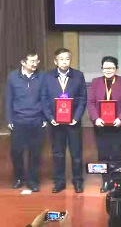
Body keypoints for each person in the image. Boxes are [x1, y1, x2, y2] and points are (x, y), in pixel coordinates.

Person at [40, 48, 87, 193]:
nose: (64, 62)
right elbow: (43, 99)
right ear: (56, 61)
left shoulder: (78, 75)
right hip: (55, 122)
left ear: (70, 60)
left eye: (67, 59)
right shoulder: (47, 77)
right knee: (58, 153)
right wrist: (50, 118)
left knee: (76, 154)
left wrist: (76, 117)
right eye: (61, 59)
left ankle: (78, 181)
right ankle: (59, 181)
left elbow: (82, 98)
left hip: (73, 122)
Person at [87, 56, 121, 193]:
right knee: (103, 155)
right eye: (105, 68)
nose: (108, 70)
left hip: (118, 125)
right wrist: (96, 119)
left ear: (116, 68)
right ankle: (106, 181)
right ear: (102, 69)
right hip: (101, 126)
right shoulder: (96, 82)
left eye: (111, 68)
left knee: (117, 155)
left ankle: (117, 182)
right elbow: (91, 103)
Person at [5, 51, 46, 192]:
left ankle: (32, 180)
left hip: (37, 120)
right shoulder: (13, 77)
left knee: (35, 152)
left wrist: (45, 118)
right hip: (18, 120)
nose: (35, 64)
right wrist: (9, 119)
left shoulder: (42, 76)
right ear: (23, 62)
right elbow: (8, 99)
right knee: (16, 151)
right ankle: (19, 178)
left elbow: (45, 98)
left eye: (37, 61)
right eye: (32, 61)